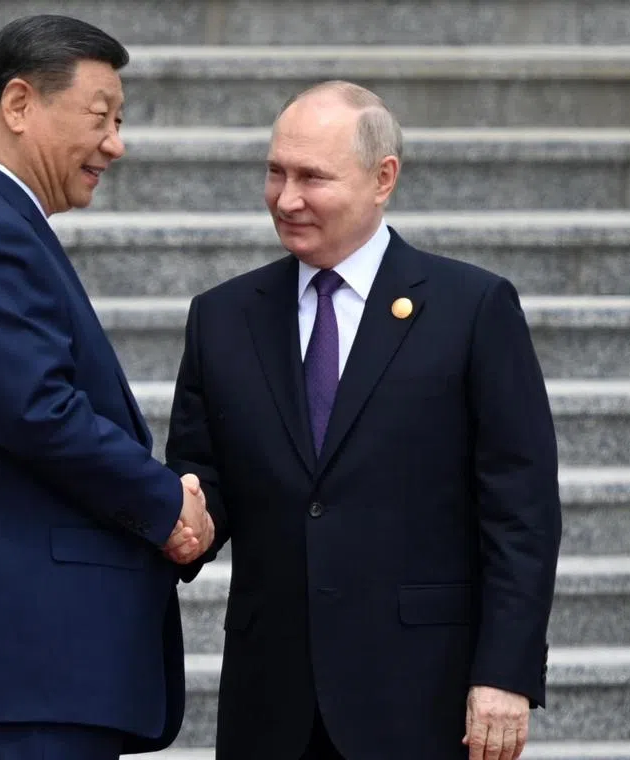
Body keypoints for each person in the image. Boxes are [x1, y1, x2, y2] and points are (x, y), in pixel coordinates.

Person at [165, 81, 562, 760]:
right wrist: (182, 518)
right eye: (275, 172)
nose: (286, 199)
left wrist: (504, 673)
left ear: (384, 179)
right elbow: (203, 478)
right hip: (272, 696)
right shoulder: (223, 317)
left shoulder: (472, 309)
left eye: (312, 177)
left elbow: (520, 510)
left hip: (419, 693)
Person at [0, 14, 213, 760]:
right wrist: (167, 506)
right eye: (101, 118)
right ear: (19, 104)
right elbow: (38, 413)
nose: (116, 144)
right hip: (20, 664)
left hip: (18, 665)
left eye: (120, 122)